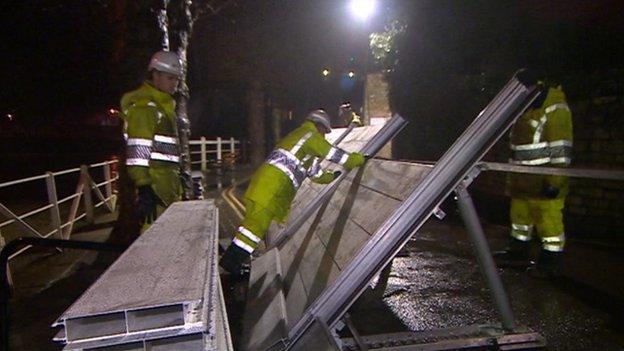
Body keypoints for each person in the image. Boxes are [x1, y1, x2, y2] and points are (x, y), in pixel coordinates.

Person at [220, 109, 366, 275]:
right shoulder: (309, 136)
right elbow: (331, 152)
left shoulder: (301, 141)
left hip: (267, 188)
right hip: (270, 190)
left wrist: (331, 176)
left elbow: (315, 173)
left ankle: (233, 261)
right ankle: (231, 264)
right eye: (324, 131)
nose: (324, 135)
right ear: (319, 126)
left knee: (252, 229)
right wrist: (357, 159)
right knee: (253, 230)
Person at [496, 81, 573, 278]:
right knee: (520, 219)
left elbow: (561, 149)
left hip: (544, 183)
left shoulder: (555, 107)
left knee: (549, 222)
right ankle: (517, 251)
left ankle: (551, 260)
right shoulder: (526, 106)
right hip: (523, 181)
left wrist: (555, 181)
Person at [120, 50, 183, 229]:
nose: (175, 84)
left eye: (177, 79)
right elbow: (137, 154)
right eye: (170, 78)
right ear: (155, 75)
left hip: (166, 188)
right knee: (154, 244)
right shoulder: (145, 109)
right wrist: (144, 188)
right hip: (154, 191)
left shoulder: (163, 108)